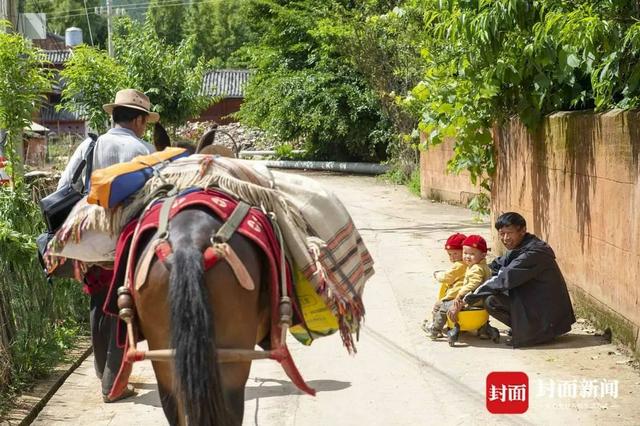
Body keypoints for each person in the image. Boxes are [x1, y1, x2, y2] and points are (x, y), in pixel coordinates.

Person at [57, 88, 159, 402]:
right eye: (145, 121)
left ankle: (103, 371)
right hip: (125, 241)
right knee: (121, 307)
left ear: (113, 115)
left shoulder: (89, 144)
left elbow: (64, 188)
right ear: (140, 120)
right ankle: (113, 386)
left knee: (98, 303)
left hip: (89, 240)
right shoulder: (145, 149)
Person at [464, 212, 576, 347]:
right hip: (534, 304)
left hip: (548, 315)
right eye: (502, 234)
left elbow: (504, 278)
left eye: (509, 233)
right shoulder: (520, 247)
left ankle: (537, 333)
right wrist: (473, 274)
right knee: (489, 293)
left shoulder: (533, 253)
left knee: (491, 300)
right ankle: (529, 329)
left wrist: (467, 297)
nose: (505, 238)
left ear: (522, 231)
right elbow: (495, 267)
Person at [445, 235, 492, 346]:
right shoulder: (483, 266)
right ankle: (484, 330)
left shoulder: (476, 268)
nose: (467, 257)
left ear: (483, 255)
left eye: (472, 254)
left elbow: (473, 283)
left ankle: (436, 327)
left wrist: (460, 294)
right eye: (465, 253)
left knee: (443, 306)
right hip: (481, 299)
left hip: (473, 299)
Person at [422, 233, 467, 339]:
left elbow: (447, 277)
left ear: (463, 251)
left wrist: (437, 275)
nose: (452, 257)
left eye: (455, 254)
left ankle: (436, 328)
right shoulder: (470, 263)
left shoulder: (460, 265)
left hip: (455, 294)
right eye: (450, 255)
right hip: (464, 294)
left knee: (439, 306)